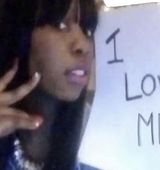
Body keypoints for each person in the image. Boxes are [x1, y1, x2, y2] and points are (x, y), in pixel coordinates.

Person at [0, 0, 98, 169]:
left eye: (87, 30)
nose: (83, 45)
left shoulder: (100, 159)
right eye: (60, 25)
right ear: (21, 37)